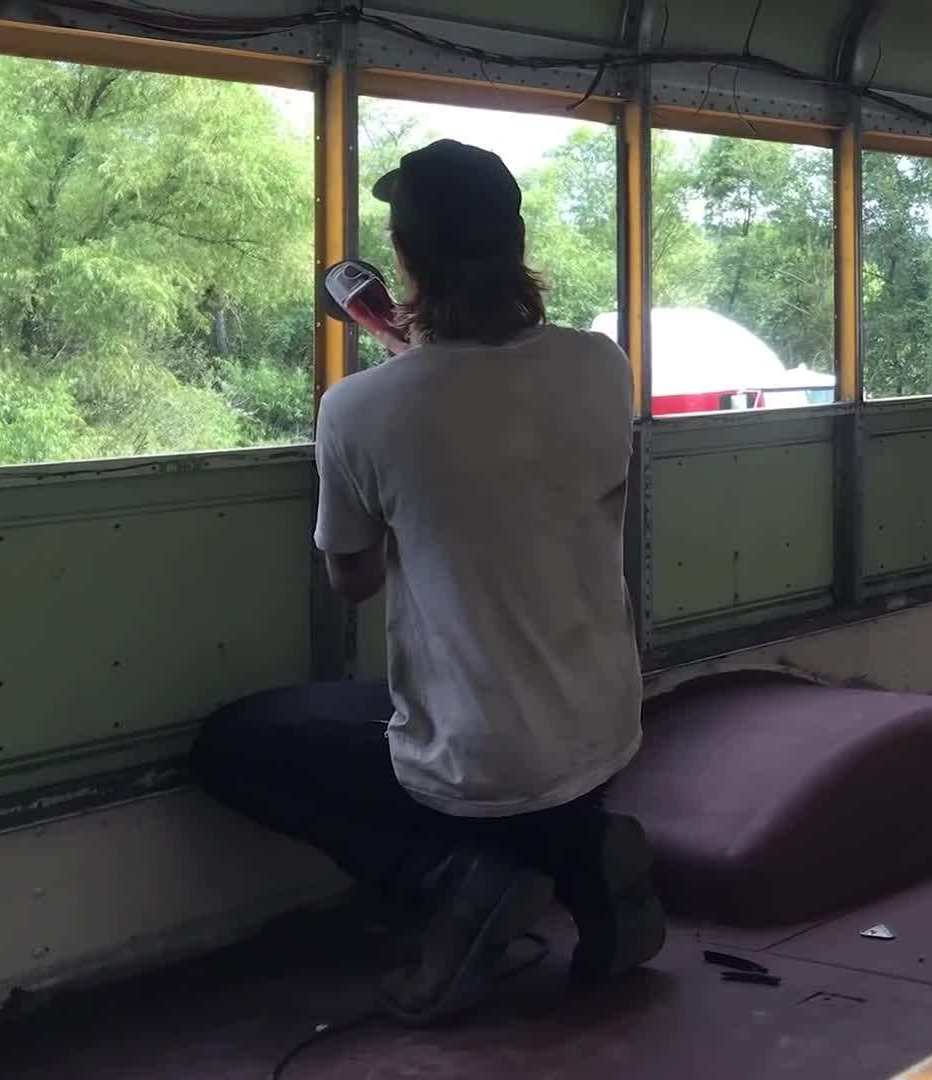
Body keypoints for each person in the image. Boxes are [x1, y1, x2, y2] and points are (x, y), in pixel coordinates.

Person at [191, 138, 661, 1027]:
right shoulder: (601, 363)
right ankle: (584, 858)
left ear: (402, 258)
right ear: (517, 243)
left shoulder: (360, 407)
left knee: (233, 744)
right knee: (537, 775)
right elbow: (513, 429)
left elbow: (353, 580)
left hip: (477, 751)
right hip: (605, 723)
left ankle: (451, 877)